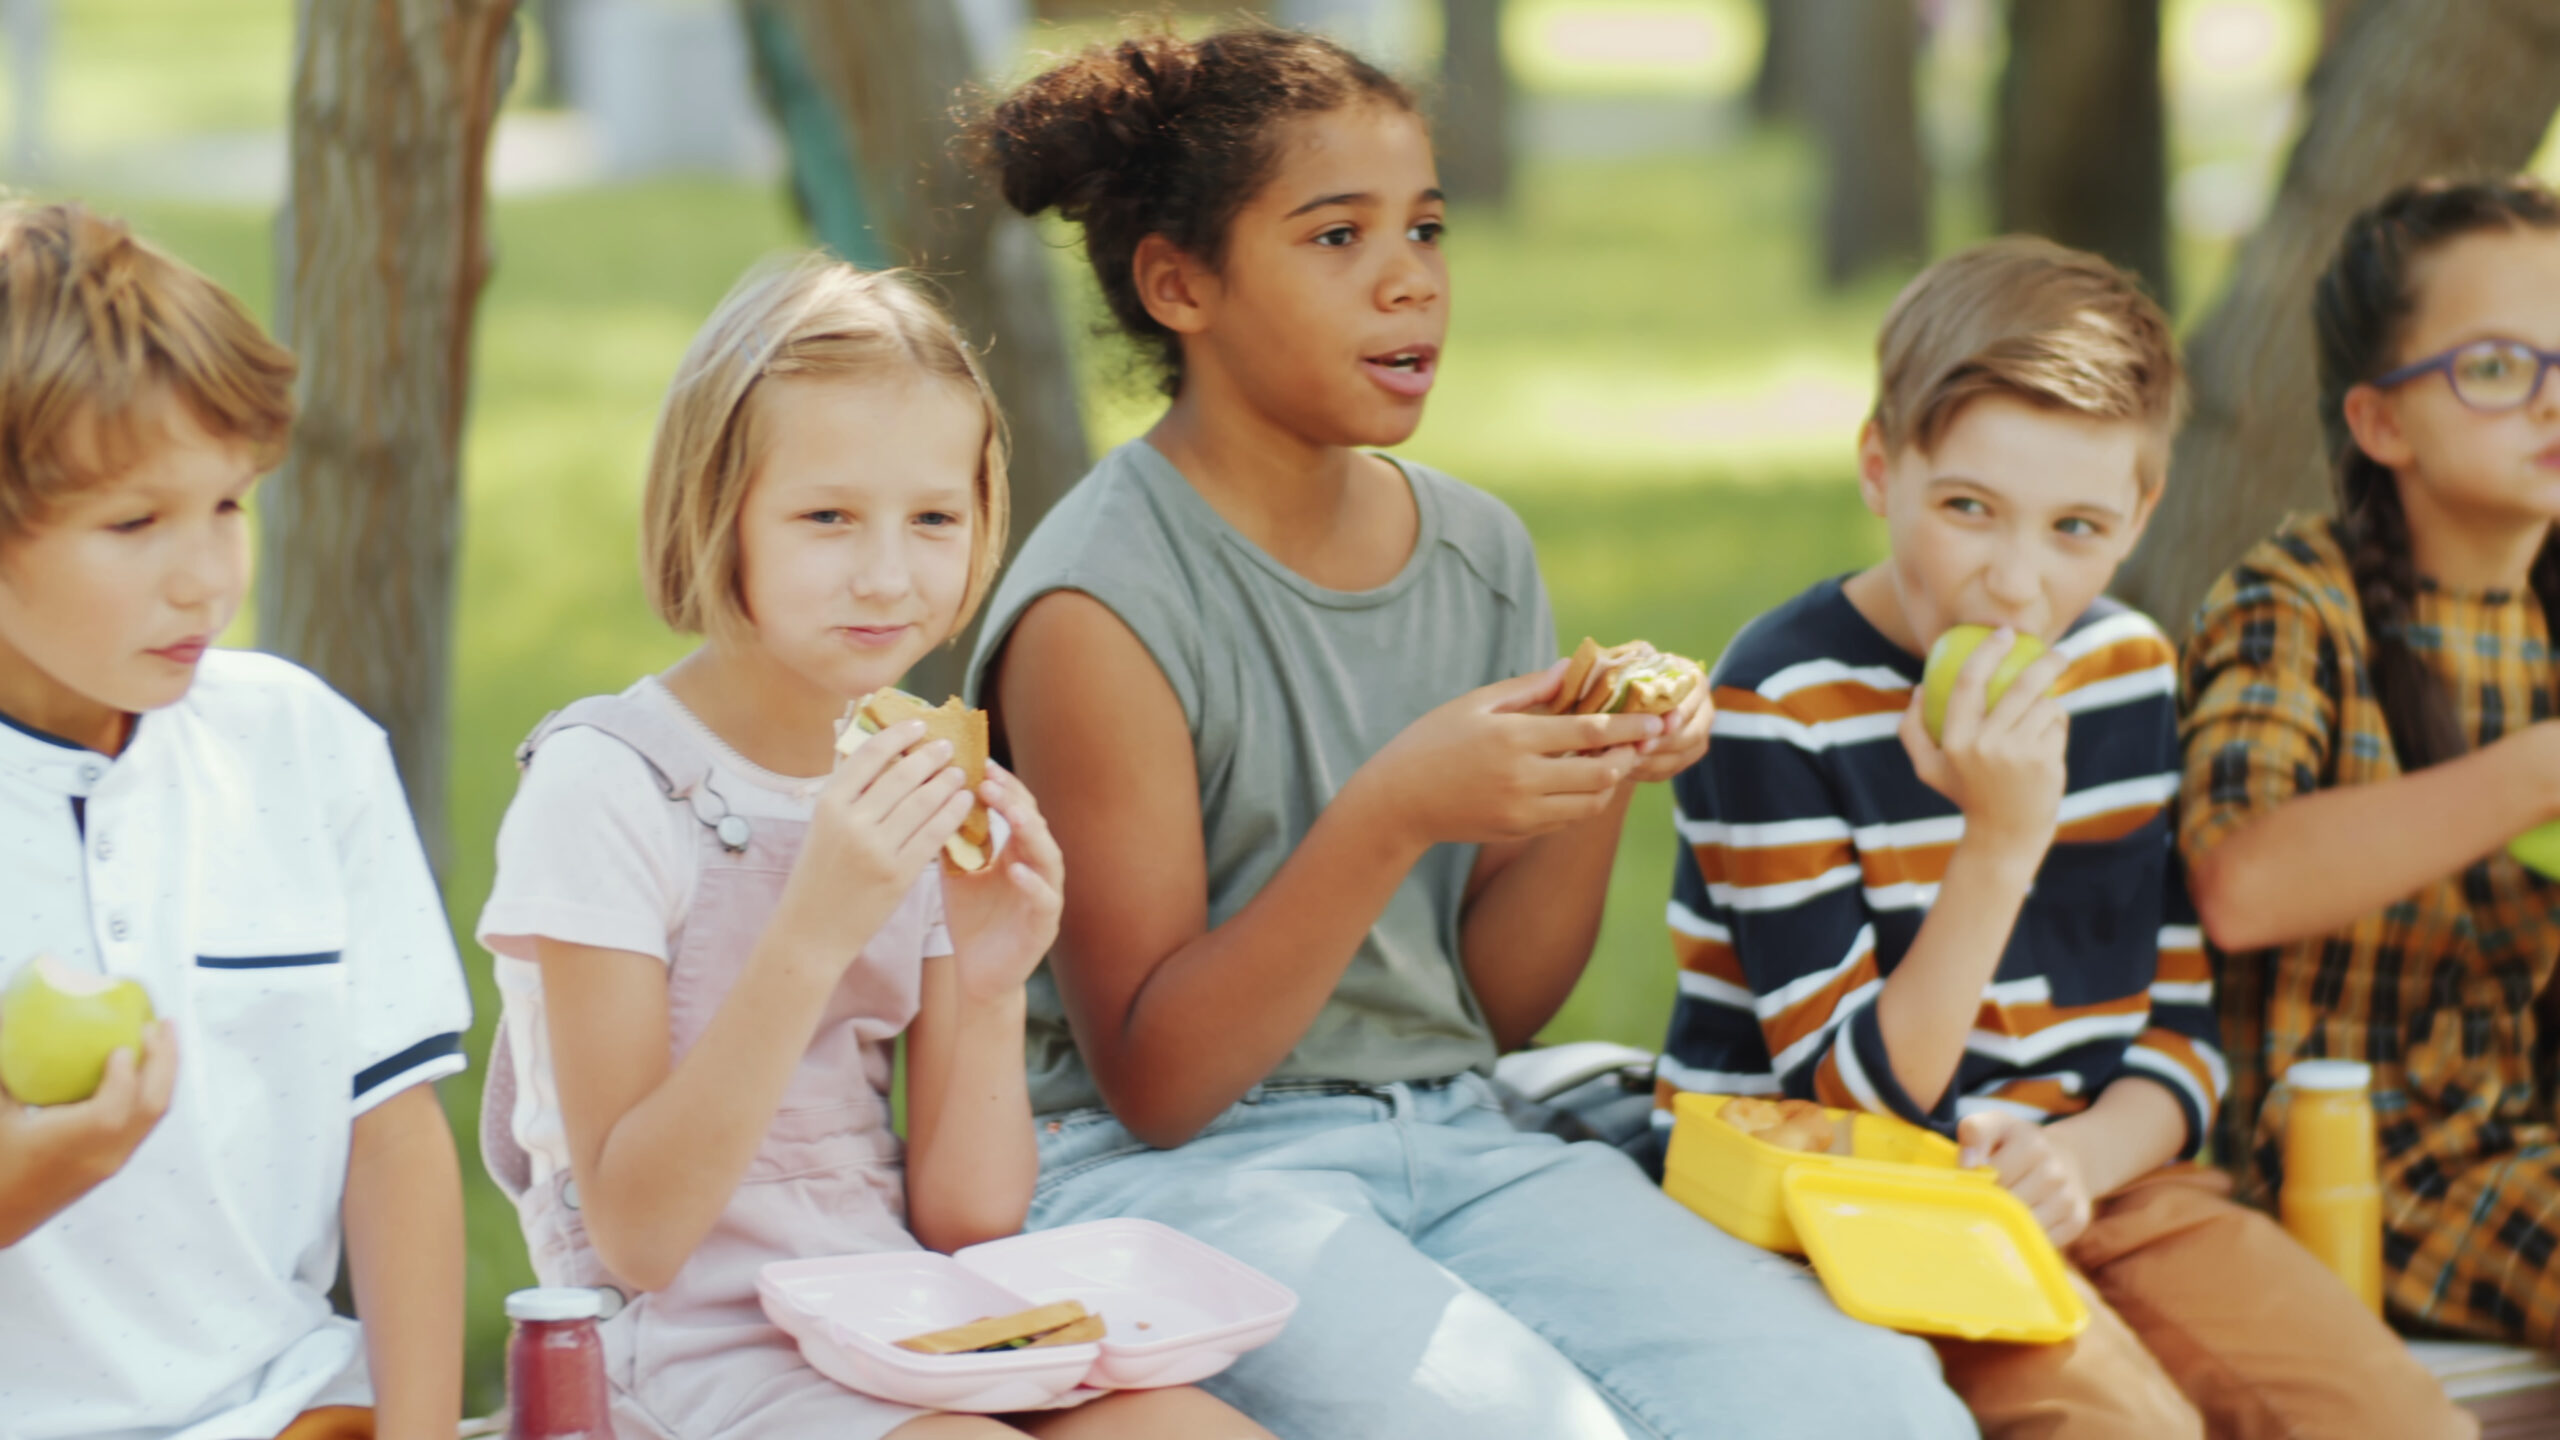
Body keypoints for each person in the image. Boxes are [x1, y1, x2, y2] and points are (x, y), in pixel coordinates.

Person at [964, 26, 1977, 1440]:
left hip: (1453, 1133)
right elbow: (1159, 1079)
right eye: (1337, 236)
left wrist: (1600, 774)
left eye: (1428, 229)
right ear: (1178, 284)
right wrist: (1394, 811)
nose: (1409, 280)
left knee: (1876, 1409)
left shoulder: (1479, 555)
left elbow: (1489, 1012)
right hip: (1165, 1180)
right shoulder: (1102, 607)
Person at [1660, 235, 2469, 1438]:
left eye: (2075, 529)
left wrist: (2083, 1160)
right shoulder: (1777, 699)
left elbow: (2184, 1044)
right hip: (1845, 1201)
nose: (2016, 584)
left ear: (2140, 517)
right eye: (1970, 509)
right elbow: (1844, 1099)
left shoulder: (2123, 674)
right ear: (1883, 466)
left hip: (2096, 1176)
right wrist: (1998, 846)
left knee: (2398, 1422)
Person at [474, 254, 1270, 1440]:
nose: (889, 574)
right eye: (826, 518)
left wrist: (993, 985)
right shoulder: (609, 786)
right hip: (666, 1347)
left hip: (891, 1317)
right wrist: (815, 927)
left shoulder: (913, 781)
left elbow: (964, 1221)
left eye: (934, 519)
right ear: (716, 509)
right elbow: (638, 1237)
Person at [0, 201, 472, 1440]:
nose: (206, 575)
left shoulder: (300, 748)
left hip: (288, 1406)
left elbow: (395, 1132)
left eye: (228, 506)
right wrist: (35, 1178)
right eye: (134, 523)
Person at [2182, 176, 2560, 1353]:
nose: (2552, 400)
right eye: (2497, 369)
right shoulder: (2293, 603)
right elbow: (2239, 885)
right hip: (2364, 1161)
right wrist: (2539, 770)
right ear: (2379, 423)